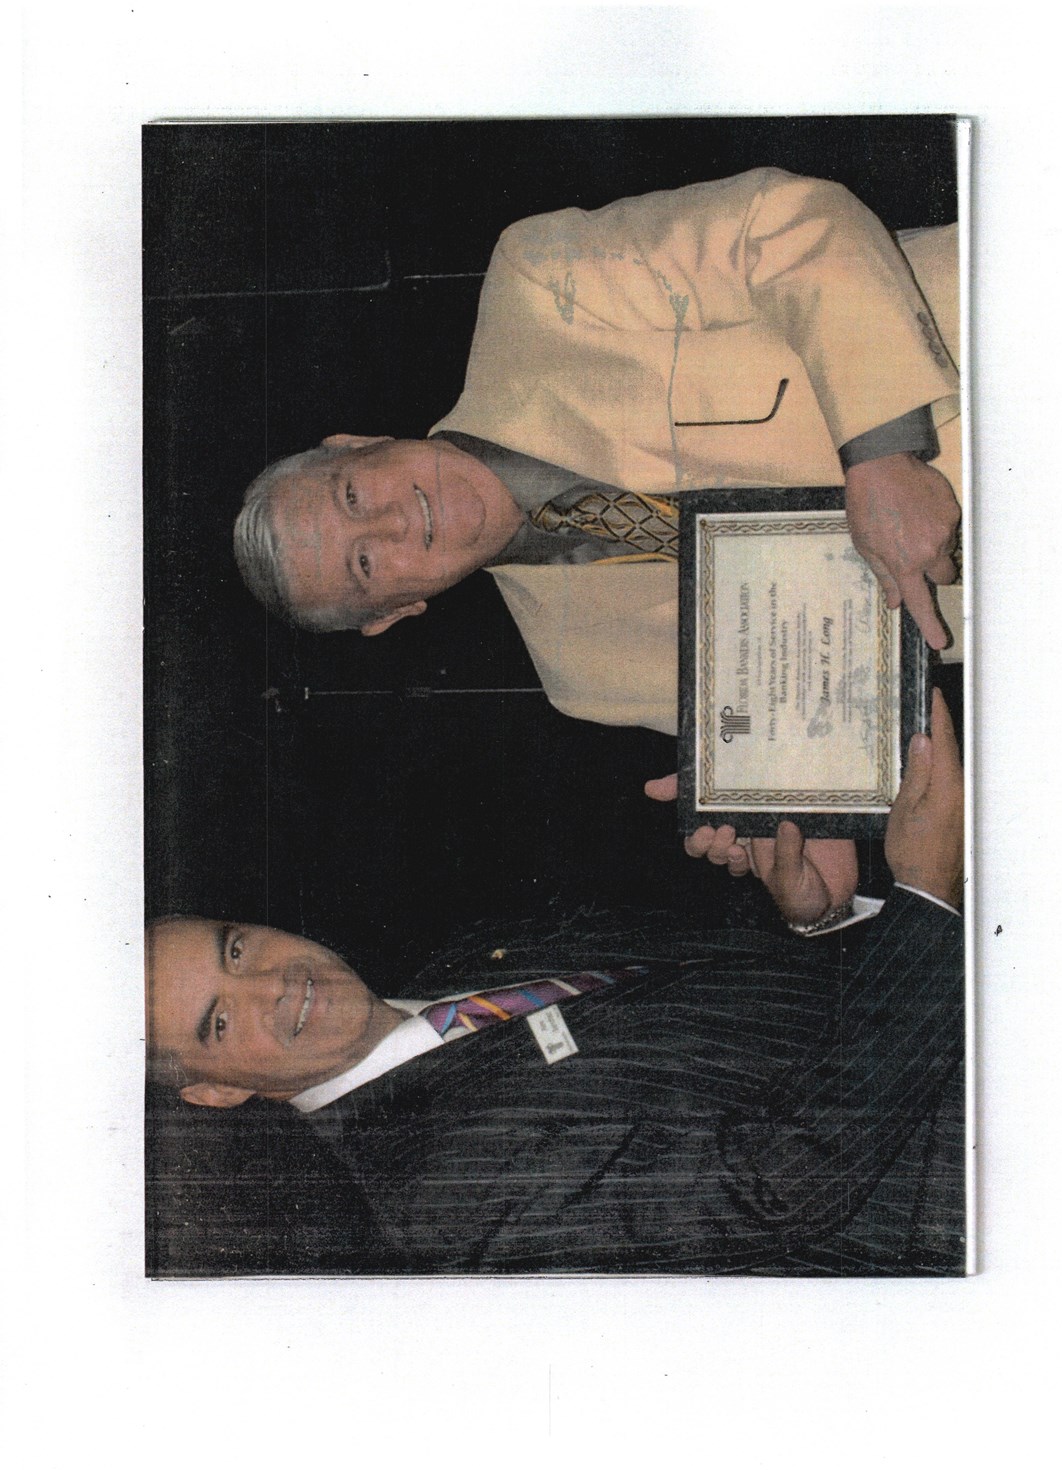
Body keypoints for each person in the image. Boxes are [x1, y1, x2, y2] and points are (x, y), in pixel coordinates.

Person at [232, 166, 965, 929]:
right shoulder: (586, 678)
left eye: (352, 494)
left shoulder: (539, 285)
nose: (393, 520)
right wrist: (812, 854)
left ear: (357, 442)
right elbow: (843, 716)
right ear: (396, 611)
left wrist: (883, 454)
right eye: (365, 563)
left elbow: (791, 221)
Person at [146, 694, 966, 1276]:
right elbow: (777, 1184)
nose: (270, 984)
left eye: (236, 948)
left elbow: (745, 1016)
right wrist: (925, 897)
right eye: (219, 1021)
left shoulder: (469, 962)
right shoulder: (436, 1202)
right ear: (215, 1092)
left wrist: (818, 919)